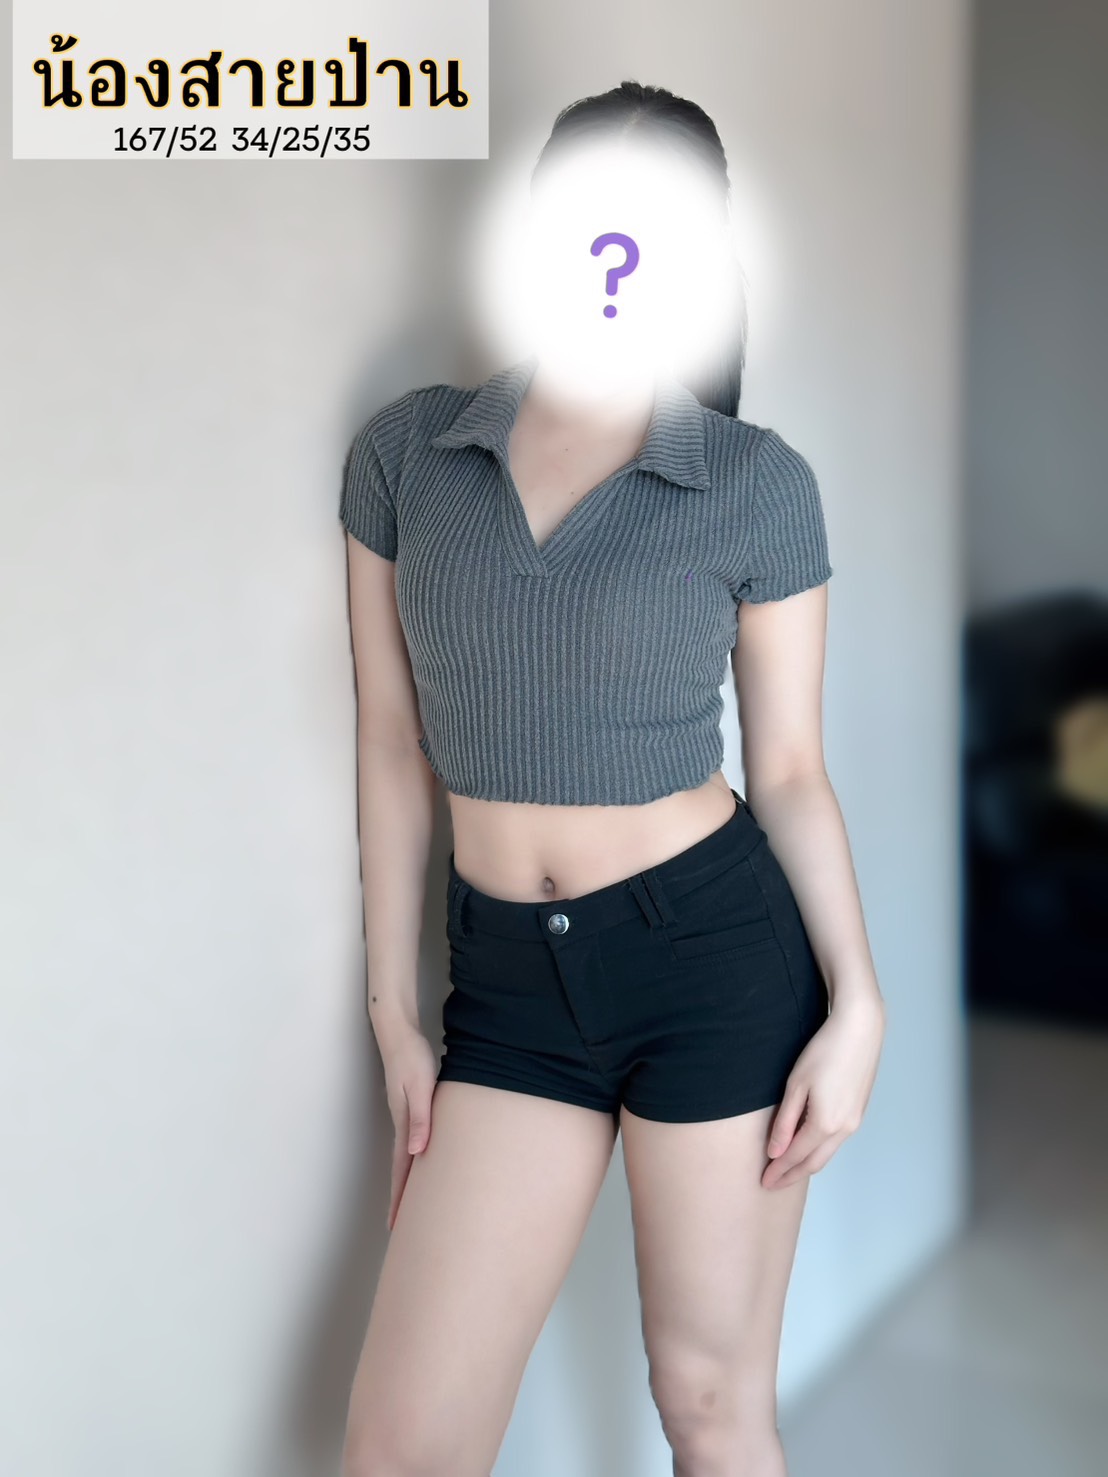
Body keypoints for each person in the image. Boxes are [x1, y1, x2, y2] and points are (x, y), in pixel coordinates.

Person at [339, 81, 885, 1477]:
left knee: (708, 1407)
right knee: (402, 1445)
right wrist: (395, 1013)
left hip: (713, 960)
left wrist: (860, 1004)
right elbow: (392, 747)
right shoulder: (409, 455)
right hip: (509, 989)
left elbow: (790, 772)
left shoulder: (753, 482)